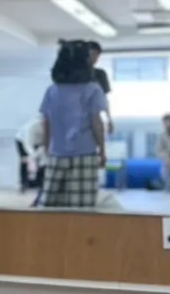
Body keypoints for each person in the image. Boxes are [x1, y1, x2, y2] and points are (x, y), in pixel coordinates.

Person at [38, 41, 108, 208]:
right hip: (85, 154)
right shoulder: (93, 89)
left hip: (56, 153)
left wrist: (46, 148)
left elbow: (46, 122)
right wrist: (102, 150)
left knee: (50, 206)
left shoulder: (52, 90)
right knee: (81, 208)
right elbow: (96, 123)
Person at [16, 116, 46, 192]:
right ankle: (23, 183)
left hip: (39, 142)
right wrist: (32, 156)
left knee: (41, 161)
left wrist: (37, 155)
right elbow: (28, 145)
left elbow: (45, 146)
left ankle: (39, 182)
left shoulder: (53, 128)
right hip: (22, 140)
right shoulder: (32, 127)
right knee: (25, 160)